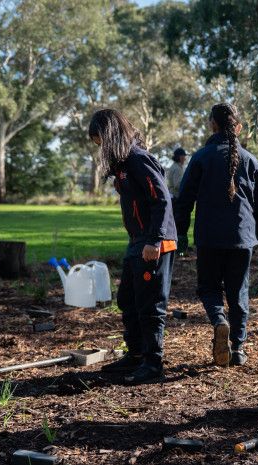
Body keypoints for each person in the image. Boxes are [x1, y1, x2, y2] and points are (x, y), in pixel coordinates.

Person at [175, 103, 258, 368]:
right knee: (238, 291)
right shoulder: (250, 159)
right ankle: (239, 348)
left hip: (209, 236)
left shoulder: (200, 158)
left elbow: (184, 199)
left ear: (213, 125)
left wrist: (181, 234)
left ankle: (219, 320)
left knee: (208, 287)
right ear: (238, 127)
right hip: (242, 237)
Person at [89, 109, 177, 385]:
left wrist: (154, 240)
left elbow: (162, 199)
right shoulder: (124, 165)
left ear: (112, 135)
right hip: (136, 242)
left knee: (150, 304)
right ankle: (136, 354)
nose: (100, 148)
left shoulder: (139, 160)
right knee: (127, 300)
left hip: (154, 242)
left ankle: (153, 363)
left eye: (100, 141)